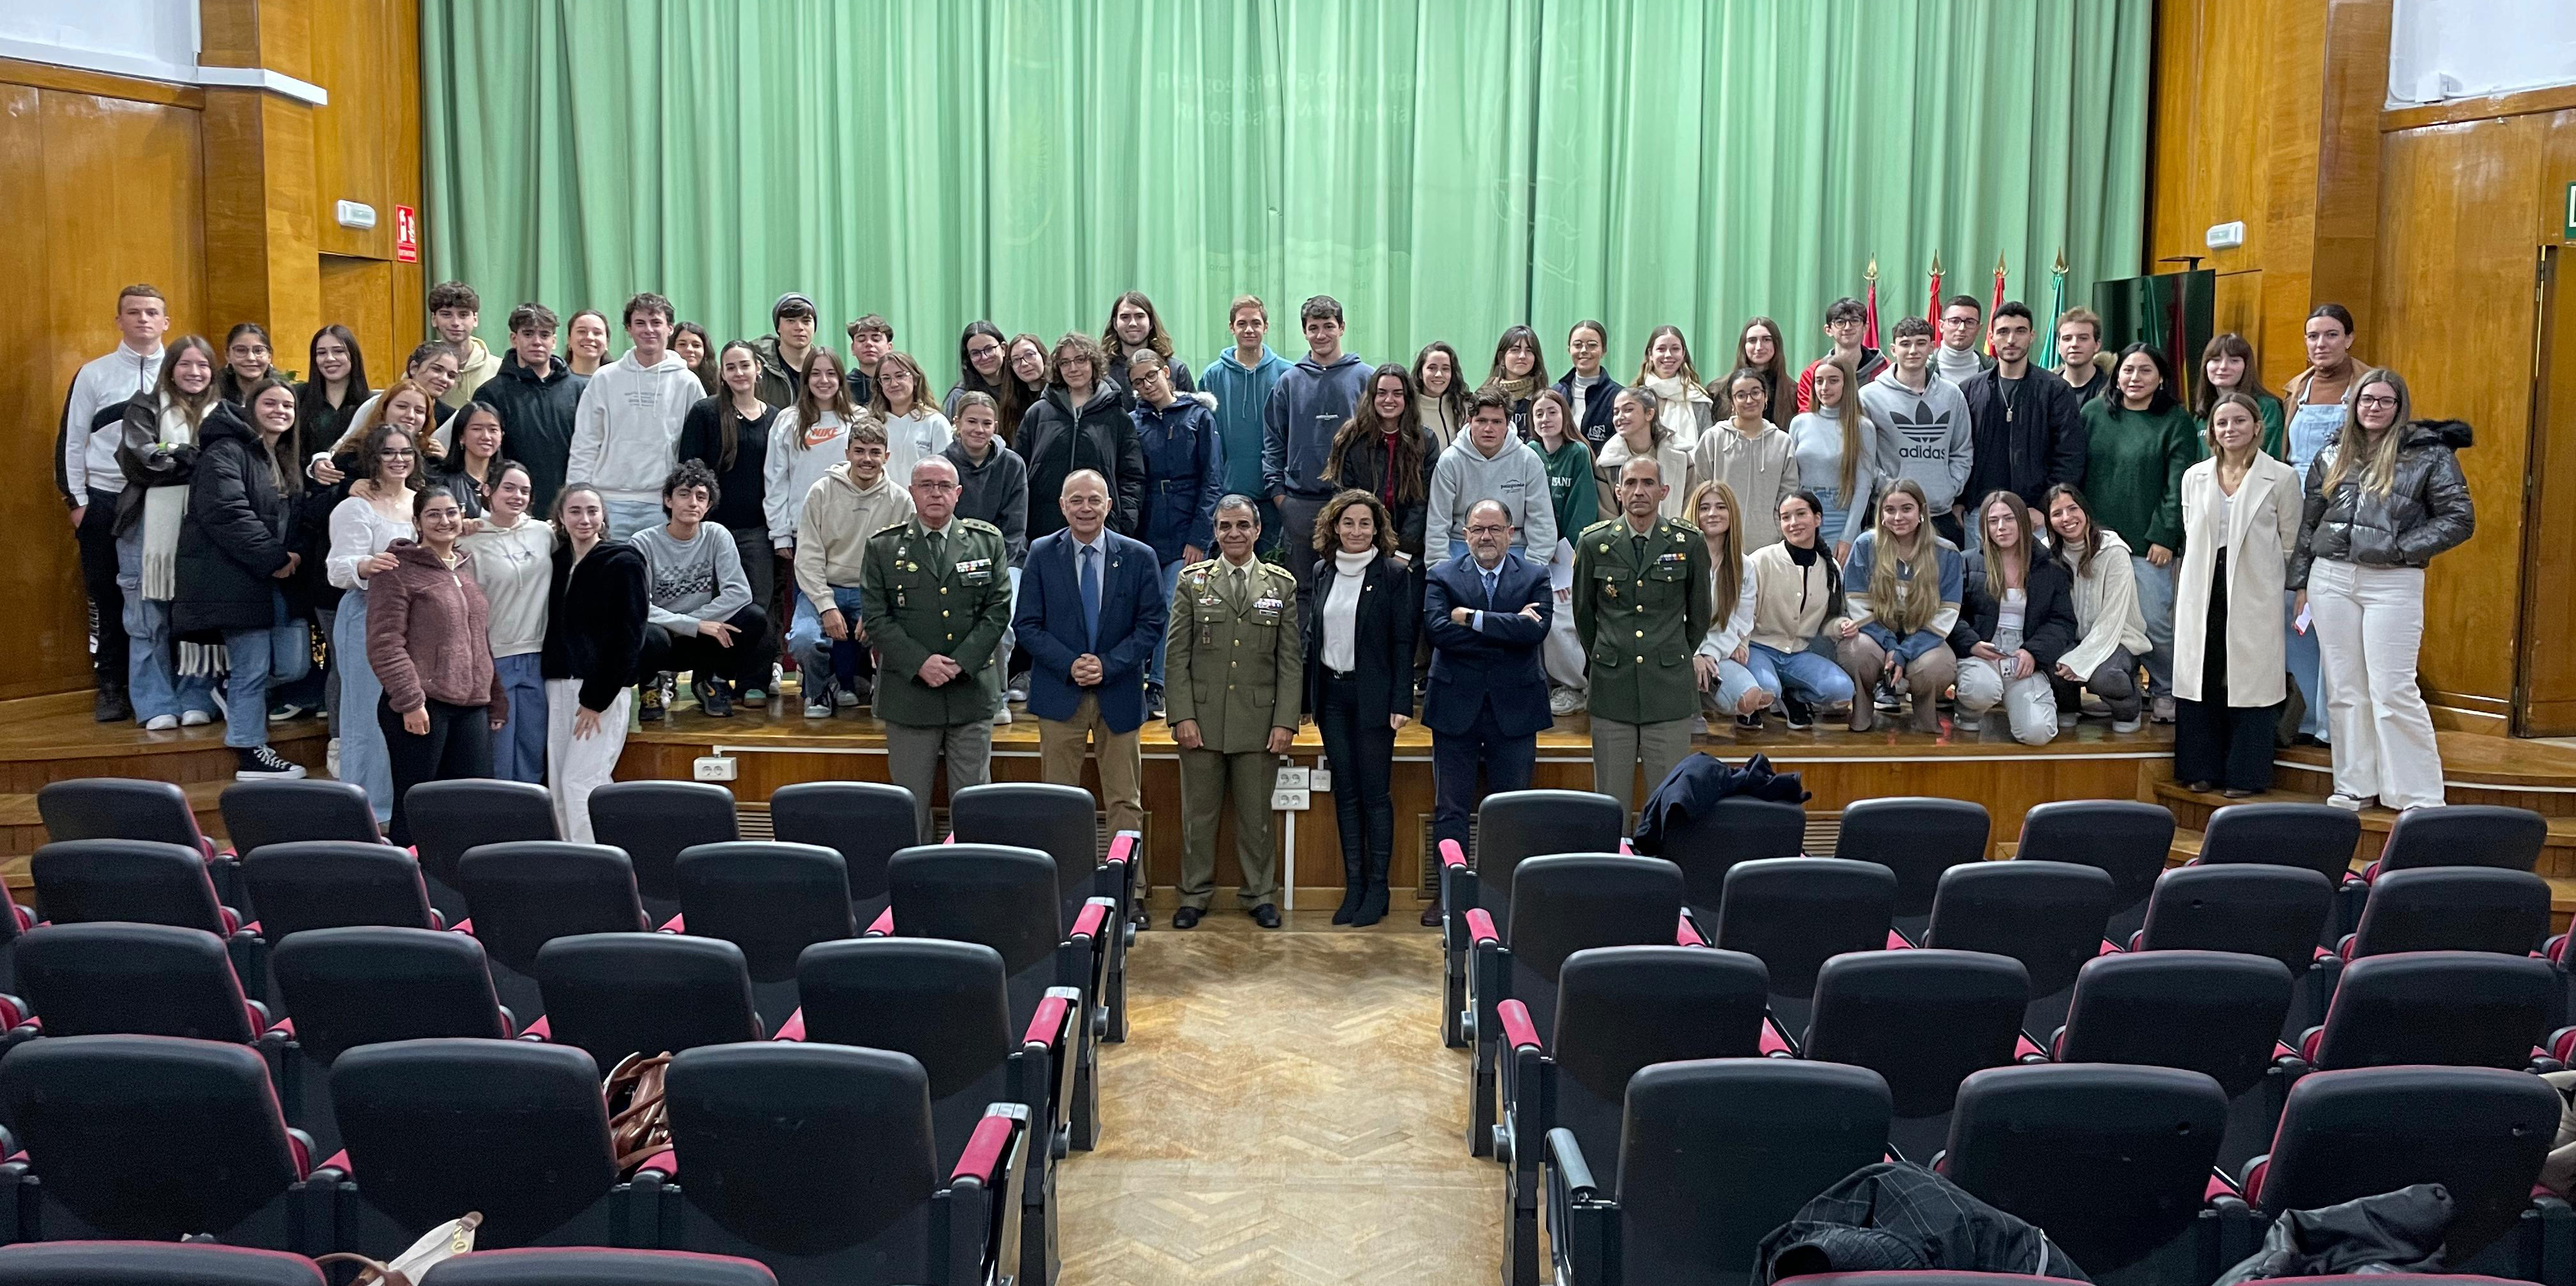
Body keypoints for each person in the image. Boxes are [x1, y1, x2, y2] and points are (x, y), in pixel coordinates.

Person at [2291, 369, 2474, 813]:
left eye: (2385, 401)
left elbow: (2459, 518)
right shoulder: (2332, 451)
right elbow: (2309, 521)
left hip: (2392, 581)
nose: (2374, 408)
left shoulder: (2428, 455)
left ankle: (2417, 794)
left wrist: (2400, 548)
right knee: (2344, 687)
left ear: (2400, 407)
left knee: (2393, 688)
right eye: (2366, 400)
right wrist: (2300, 582)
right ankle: (2355, 784)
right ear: (2353, 405)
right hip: (2331, 578)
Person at [1164, 496, 1301, 929]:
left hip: (1259, 723)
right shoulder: (1192, 582)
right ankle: (1194, 895)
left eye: (1242, 525)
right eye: (1225, 526)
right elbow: (1175, 657)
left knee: (1257, 818)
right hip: (1201, 720)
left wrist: (1285, 722)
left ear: (1258, 530)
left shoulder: (1280, 586)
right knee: (1197, 818)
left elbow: (1290, 661)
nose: (1234, 533)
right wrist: (1181, 715)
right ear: (1216, 530)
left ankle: (1260, 895)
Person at [862, 456, 1014, 844]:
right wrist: (920, 663)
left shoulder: (987, 541)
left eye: (944, 486)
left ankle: (973, 890)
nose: (935, 493)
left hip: (970, 692)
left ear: (958, 493)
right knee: (909, 808)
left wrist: (960, 663)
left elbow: (998, 612)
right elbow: (877, 618)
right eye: (926, 485)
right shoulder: (884, 547)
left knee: (974, 804)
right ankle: (917, 892)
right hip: (909, 696)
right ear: (912, 492)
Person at [1420, 499, 1551, 924]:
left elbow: (1537, 631)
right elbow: (1439, 632)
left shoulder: (1535, 575)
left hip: (1515, 709)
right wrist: (1507, 627)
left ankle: (1503, 902)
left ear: (1511, 534)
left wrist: (1471, 618)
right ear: (1464, 534)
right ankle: (1449, 898)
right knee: (1451, 810)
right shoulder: (1441, 575)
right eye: (1477, 529)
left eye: (1495, 529)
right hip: (1455, 707)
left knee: (1510, 812)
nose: (1486, 537)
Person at [1018, 470, 1165, 840]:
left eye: (1094, 500)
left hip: (1119, 692)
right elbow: (1027, 625)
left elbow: (1152, 624)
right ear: (1063, 507)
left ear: (1109, 505)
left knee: (1125, 801)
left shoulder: (1139, 556)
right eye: (1077, 500)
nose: (1086, 508)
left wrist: (1108, 665)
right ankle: (1064, 891)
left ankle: (1131, 890)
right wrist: (1071, 665)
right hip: (1058, 691)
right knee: (1057, 800)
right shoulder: (1041, 552)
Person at [174, 376, 309, 779]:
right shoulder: (224, 453)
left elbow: (294, 516)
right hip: (237, 576)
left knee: (294, 664)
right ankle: (250, 750)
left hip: (279, 577)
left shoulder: (285, 456)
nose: (280, 411)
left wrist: (293, 556)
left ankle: (232, 692)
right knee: (251, 667)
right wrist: (272, 558)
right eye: (271, 403)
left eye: (288, 406)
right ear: (250, 408)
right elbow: (228, 514)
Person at [2174, 394, 2303, 797]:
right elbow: (2190, 530)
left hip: (2254, 588)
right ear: (2211, 430)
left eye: (2239, 421)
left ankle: (2246, 775)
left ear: (2256, 426)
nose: (2230, 429)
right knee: (2202, 675)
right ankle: (2200, 768)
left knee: (2251, 680)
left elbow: (2291, 541)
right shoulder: (2194, 476)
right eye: (2222, 423)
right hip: (2202, 585)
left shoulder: (2281, 477)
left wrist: (2282, 585)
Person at [1575, 456, 1711, 820]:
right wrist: (1609, 652)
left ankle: (1663, 876)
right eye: (1631, 483)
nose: (1639, 491)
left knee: (1667, 807)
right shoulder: (1594, 543)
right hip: (1612, 687)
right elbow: (1584, 616)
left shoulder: (1689, 542)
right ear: (1618, 491)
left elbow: (1698, 617)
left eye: (1648, 483)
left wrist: (1669, 653)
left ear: (1664, 491)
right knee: (1611, 804)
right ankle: (1614, 874)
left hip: (1667, 690)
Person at [367, 487, 503, 847]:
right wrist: (411, 701)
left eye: (451, 513)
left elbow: (479, 640)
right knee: (418, 809)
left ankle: (464, 894)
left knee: (476, 809)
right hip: (421, 706)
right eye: (434, 514)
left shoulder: (465, 569)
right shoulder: (396, 571)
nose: (445, 521)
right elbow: (384, 644)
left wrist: (495, 697)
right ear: (417, 522)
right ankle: (408, 892)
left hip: (471, 705)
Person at [57, 284, 169, 722]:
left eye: (152, 312)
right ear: (118, 320)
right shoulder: (94, 374)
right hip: (105, 499)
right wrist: (78, 501)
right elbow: (71, 441)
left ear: (166, 321)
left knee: (162, 595)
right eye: (134, 312)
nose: (143, 319)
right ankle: (111, 685)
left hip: (162, 498)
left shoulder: (185, 371)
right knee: (107, 596)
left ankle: (167, 685)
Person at [1303, 489, 1415, 926]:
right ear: (1334, 526)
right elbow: (1314, 636)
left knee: (1375, 794)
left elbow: (1404, 641)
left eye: (1364, 524)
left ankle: (1378, 888)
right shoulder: (1322, 570)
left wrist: (1401, 701)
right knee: (1345, 793)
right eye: (1348, 523)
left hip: (1375, 700)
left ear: (1377, 529)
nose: (1356, 531)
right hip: (1332, 697)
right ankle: (1354, 886)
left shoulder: (1392, 573)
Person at [114, 335, 226, 731]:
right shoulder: (143, 406)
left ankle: (197, 694)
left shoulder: (224, 411)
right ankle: (154, 700)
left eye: (202, 365)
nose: (194, 373)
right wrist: (194, 458)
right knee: (147, 618)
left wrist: (176, 451)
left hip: (205, 522)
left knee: (198, 610)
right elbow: (141, 461)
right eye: (185, 364)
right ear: (171, 368)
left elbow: (229, 464)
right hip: (147, 524)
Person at [2080, 343, 2196, 723]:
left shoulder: (2175, 420)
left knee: (2153, 621)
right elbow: (2077, 473)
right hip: (2095, 540)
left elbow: (2179, 482)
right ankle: (2123, 687)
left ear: (2160, 377)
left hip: (2149, 544)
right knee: (2104, 620)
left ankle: (2165, 690)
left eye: (2145, 371)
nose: (2135, 378)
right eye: (2128, 370)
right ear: (2117, 375)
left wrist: (2165, 534)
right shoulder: (2094, 413)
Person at [326, 416, 422, 826]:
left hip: (418, 619)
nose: (398, 459)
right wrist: (368, 564)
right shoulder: (355, 505)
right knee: (367, 716)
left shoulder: (423, 501)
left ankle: (405, 809)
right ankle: (368, 813)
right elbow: (337, 568)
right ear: (374, 459)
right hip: (368, 615)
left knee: (411, 711)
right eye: (389, 453)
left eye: (405, 452)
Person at [540, 484, 647, 843]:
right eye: (575, 511)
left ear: (603, 517)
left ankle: (598, 868)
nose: (584, 519)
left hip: (600, 690)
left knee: (581, 781)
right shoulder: (556, 562)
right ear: (561, 517)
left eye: (592, 511)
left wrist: (596, 700)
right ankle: (569, 864)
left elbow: (630, 637)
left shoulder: (624, 561)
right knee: (558, 783)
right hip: (557, 682)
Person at [2280, 304, 2365, 743]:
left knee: (2331, 616)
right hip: (2293, 508)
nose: (2321, 345)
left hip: (2342, 512)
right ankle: (2310, 718)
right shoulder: (2297, 388)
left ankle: (2337, 726)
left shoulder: (2369, 387)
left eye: (2331, 335)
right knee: (2292, 616)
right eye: (2313, 336)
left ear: (2349, 338)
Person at [789, 419, 912, 715]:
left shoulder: (901, 501)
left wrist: (876, 606)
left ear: (887, 456)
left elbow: (904, 562)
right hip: (826, 586)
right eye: (859, 451)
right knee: (803, 641)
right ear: (847, 453)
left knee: (901, 636)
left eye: (874, 452)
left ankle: (887, 692)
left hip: (872, 591)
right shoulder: (821, 492)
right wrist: (824, 604)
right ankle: (818, 691)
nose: (866, 459)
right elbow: (807, 556)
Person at [631, 462, 770, 719]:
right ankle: (650, 685)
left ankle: (709, 678)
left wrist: (697, 623)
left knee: (753, 617)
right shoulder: (643, 542)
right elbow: (639, 607)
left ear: (708, 506)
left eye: (701, 497)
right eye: (684, 494)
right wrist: (690, 625)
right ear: (668, 500)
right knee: (648, 635)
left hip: (701, 637)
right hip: (664, 635)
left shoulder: (717, 535)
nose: (693, 502)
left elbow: (740, 593)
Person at [680, 341, 780, 696]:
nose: (739, 373)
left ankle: (754, 680)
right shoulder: (705, 412)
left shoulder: (777, 418)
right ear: (722, 373)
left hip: (758, 531)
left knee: (758, 607)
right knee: (716, 607)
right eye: (731, 367)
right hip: (711, 530)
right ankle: (714, 678)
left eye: (745, 365)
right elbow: (689, 471)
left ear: (758, 370)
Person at [1131, 351, 1225, 718]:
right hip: (1144, 528)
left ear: (1166, 373)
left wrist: (1200, 538)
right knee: (1144, 606)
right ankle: (1135, 680)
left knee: (1172, 603)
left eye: (1151, 376)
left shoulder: (1199, 417)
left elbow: (1213, 480)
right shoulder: (1132, 422)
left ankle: (1159, 684)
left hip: (1187, 526)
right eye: (1137, 382)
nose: (1146, 386)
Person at [1263, 296, 1371, 611]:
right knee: (1304, 591)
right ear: (1305, 332)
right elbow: (1273, 441)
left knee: (1353, 590)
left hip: (1351, 503)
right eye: (1314, 328)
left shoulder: (1365, 378)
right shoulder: (1289, 382)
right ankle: (1304, 662)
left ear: (1342, 328)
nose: (1321, 335)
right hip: (1300, 503)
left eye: (1328, 326)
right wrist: (1280, 496)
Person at [567, 293, 702, 540]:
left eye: (656, 323)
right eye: (640, 323)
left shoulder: (688, 382)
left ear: (670, 328)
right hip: (608, 502)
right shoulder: (605, 378)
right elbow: (585, 442)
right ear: (629, 329)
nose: (648, 330)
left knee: (657, 578)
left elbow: (697, 448)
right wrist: (577, 496)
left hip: (663, 503)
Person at [1950, 491, 2078, 746]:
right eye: (1993, 521)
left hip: (2023, 659)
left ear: (2022, 521)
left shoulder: (2050, 568)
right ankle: (1968, 711)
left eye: (2008, 519)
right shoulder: (1966, 563)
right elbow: (1950, 615)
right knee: (1982, 690)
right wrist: (1972, 644)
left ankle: (2020, 703)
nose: (2001, 527)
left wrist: (2033, 653)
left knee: (2038, 733)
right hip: (1980, 654)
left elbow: (2063, 622)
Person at [1837, 480, 1964, 733]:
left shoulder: (1947, 553)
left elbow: (1947, 612)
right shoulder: (1865, 546)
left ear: (1921, 512)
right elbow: (1858, 605)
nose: (1898, 517)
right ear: (1881, 514)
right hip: (1874, 637)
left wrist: (1905, 651)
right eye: (1890, 510)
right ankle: (1863, 709)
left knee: (1938, 666)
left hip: (1924, 640)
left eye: (1907, 509)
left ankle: (1926, 713)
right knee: (1857, 651)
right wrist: (1891, 646)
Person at [460, 460, 553, 783]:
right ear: (488, 490)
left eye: (525, 491)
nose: (517, 496)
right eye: (509, 488)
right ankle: (499, 827)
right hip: (495, 657)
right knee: (498, 750)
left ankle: (532, 825)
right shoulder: (468, 540)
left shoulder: (544, 533)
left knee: (532, 747)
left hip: (539, 655)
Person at [1959, 302, 2089, 532]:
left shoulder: (2055, 390)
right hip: (1979, 513)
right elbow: (1958, 450)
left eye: (2020, 331)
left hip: (2034, 515)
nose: (2011, 340)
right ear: (1991, 337)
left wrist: (2046, 506)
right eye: (2003, 332)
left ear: (2032, 336)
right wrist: (1960, 501)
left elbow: (2070, 454)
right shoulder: (1969, 390)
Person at [943, 394, 1029, 717]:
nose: (979, 429)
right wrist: (965, 568)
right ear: (957, 423)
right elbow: (942, 525)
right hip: (952, 563)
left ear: (995, 426)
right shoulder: (943, 464)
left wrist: (988, 571)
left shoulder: (1012, 465)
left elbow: (1015, 528)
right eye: (972, 421)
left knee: (1000, 626)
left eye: (986, 423)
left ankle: (997, 698)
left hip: (1006, 564)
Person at [1742, 491, 1857, 730]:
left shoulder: (1831, 567)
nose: (1793, 523)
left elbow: (1828, 621)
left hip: (1799, 652)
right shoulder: (1761, 560)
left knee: (1842, 691)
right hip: (1759, 647)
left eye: (1801, 514)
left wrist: (1841, 626)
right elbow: (1742, 614)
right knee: (1766, 689)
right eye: (1786, 517)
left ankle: (1794, 697)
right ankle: (1764, 699)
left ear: (1818, 518)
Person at [2042, 484, 2150, 733]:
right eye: (2057, 513)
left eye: (2073, 509)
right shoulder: (2045, 552)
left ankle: (2128, 707)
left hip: (2118, 638)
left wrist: (2079, 660)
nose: (2067, 518)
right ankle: (2068, 706)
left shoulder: (2114, 551)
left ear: (2086, 511)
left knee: (2106, 677)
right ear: (2049, 520)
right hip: (2070, 636)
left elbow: (2112, 620)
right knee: (2051, 663)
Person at [1859, 316, 1974, 546]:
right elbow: (1863, 457)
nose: (1913, 350)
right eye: (1905, 344)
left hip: (1939, 514)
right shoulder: (1869, 396)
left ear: (1933, 347)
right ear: (1893, 349)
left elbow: (1962, 450)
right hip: (1891, 514)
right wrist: (1888, 489)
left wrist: (1950, 487)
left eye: (1921, 343)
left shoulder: (1952, 395)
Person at [1020, 332, 1145, 541]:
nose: (1073, 368)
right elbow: (1020, 473)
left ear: (1094, 363)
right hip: (1043, 529)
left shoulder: (1117, 417)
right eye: (1065, 362)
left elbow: (1132, 477)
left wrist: (1124, 523)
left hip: (1103, 531)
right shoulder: (1038, 413)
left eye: (1080, 360)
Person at [473, 303, 585, 515]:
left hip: (572, 504)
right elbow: (486, 456)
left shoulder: (580, 389)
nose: (537, 342)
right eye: (528, 334)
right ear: (514, 339)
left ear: (554, 341)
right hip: (515, 506)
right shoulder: (491, 393)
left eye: (544, 335)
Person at [1202, 296, 1291, 542]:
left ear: (1266, 326)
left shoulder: (1288, 375)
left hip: (1276, 497)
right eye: (1242, 324)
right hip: (1230, 497)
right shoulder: (1212, 376)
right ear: (1232, 328)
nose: (1249, 329)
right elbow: (1206, 439)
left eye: (1255, 323)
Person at [765, 347, 858, 570]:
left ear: (840, 378)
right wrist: (780, 533)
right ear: (806, 379)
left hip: (850, 530)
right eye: (816, 373)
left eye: (831, 373)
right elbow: (776, 479)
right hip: (803, 531)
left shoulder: (858, 419)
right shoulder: (788, 420)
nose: (823, 380)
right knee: (806, 602)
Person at [1687, 480, 1768, 729]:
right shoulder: (1679, 558)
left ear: (1732, 514)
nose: (1713, 514)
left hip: (1716, 650)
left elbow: (1740, 620)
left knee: (1750, 698)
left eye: (1721, 507)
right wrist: (1693, 654)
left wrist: (1710, 653)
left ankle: (1702, 695)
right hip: (1678, 649)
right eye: (1705, 508)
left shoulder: (1744, 565)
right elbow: (1669, 617)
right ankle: (1686, 702)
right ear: (1695, 514)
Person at [1689, 370, 1800, 548]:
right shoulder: (1714, 438)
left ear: (1765, 398)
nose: (1749, 400)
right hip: (1720, 541)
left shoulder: (1782, 442)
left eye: (1755, 393)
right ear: (1732, 402)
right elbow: (1699, 486)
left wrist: (1777, 530)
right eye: (1741, 395)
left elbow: (1788, 492)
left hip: (1768, 543)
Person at [1787, 353, 1874, 560]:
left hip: (1840, 514)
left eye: (1833, 380)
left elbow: (1864, 486)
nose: (1825, 387)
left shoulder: (1862, 427)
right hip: (1802, 512)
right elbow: (1790, 475)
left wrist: (1848, 536)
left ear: (1847, 384)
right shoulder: (1800, 423)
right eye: (1819, 381)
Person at [337, 341, 461, 457]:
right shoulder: (376, 403)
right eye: (437, 369)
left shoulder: (452, 417)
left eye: (451, 376)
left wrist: (446, 459)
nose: (444, 379)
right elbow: (342, 446)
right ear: (414, 368)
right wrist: (320, 460)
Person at [1597, 386, 1692, 523]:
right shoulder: (1606, 463)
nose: (1620, 417)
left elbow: (1690, 506)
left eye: (1628, 410)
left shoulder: (1681, 456)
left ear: (1649, 414)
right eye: (1616, 412)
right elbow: (1607, 518)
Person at [293, 324, 369, 478]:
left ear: (353, 356)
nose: (329, 358)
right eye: (321, 353)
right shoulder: (296, 397)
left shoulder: (371, 404)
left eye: (339, 351)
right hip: (309, 491)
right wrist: (312, 468)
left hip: (358, 490)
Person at [2196, 332, 2286, 460]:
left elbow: (2271, 457)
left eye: (2234, 361)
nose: (2223, 367)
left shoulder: (2267, 407)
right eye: (2216, 360)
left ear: (2246, 366)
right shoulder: (2202, 415)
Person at [1101, 290, 1197, 407]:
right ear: (1115, 324)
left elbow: (1193, 415)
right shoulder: (1102, 372)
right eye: (1125, 317)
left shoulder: (1177, 370)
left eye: (1139, 316)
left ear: (1151, 323)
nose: (1132, 323)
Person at [1793, 296, 1888, 413]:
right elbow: (1808, 420)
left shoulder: (1886, 370)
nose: (1848, 327)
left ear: (1865, 327)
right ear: (1828, 330)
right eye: (1840, 322)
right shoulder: (1812, 374)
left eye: (1855, 321)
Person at [871, 350, 953, 484]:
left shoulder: (935, 422)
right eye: (886, 378)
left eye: (900, 376)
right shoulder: (874, 424)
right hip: (881, 502)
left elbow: (945, 473)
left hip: (923, 503)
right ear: (879, 385)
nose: (894, 384)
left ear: (915, 379)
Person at [1632, 325, 1715, 453]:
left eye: (1675, 349)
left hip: (1691, 471)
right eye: (1661, 349)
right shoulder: (1636, 398)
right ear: (1650, 354)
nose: (1668, 355)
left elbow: (1708, 449)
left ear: (1683, 354)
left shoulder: (1698, 399)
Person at [1554, 320, 1622, 450]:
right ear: (1569, 350)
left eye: (1592, 345)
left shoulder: (1618, 396)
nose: (1584, 351)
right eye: (1578, 345)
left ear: (1604, 351)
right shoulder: (1555, 393)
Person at [431, 402, 505, 518]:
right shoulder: (440, 481)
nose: (486, 436)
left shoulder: (508, 480)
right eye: (477, 429)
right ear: (461, 436)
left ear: (501, 436)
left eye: (493, 430)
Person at [752, 292, 820, 410]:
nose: (799, 327)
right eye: (791, 321)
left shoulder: (825, 367)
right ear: (778, 327)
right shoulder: (758, 368)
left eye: (806, 321)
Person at [1483, 325, 1548, 434]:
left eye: (1529, 351)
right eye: (1515, 350)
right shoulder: (1485, 397)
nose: (1522, 356)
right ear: (1501, 358)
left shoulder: (1545, 398)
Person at [1413, 341, 1469, 457]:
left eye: (1446, 369)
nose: (1439, 374)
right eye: (1432, 368)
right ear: (1420, 372)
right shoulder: (1409, 406)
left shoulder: (1465, 405)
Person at [1735, 317, 1793, 428]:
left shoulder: (1793, 392)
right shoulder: (1718, 391)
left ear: (1776, 344)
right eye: (1752, 340)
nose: (1759, 347)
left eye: (1766, 340)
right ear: (1744, 346)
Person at [2053, 307, 2116, 406]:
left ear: (2097, 345)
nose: (2074, 344)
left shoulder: (2113, 391)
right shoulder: (2044, 389)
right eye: (2067, 338)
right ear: (2058, 347)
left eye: (2083, 338)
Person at [1002, 333, 1052, 439]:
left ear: (1043, 355)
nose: (1024, 364)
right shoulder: (1010, 406)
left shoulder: (1061, 396)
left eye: (1030, 355)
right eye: (1016, 360)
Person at [1935, 295, 1991, 387]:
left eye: (1970, 322)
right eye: (1954, 321)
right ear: (1941, 326)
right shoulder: (1923, 367)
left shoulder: (1992, 369)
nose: (1962, 328)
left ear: (1979, 329)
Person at [214, 323, 275, 406]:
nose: (251, 358)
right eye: (241, 350)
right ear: (228, 355)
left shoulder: (284, 395)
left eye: (258, 351)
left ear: (269, 357)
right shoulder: (213, 394)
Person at [844, 314, 893, 406]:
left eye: (876, 339)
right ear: (853, 348)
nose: (869, 343)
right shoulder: (843, 386)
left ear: (889, 347)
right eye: (862, 339)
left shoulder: (900, 383)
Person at [670, 321, 719, 397]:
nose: (690, 349)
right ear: (672, 348)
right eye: (682, 344)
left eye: (696, 345)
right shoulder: (662, 379)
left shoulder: (719, 381)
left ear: (705, 350)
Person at [564, 309, 610, 378]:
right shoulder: (554, 380)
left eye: (597, 333)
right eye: (582, 331)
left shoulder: (617, 378)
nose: (590, 337)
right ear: (569, 340)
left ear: (607, 342)